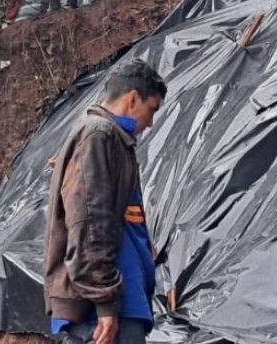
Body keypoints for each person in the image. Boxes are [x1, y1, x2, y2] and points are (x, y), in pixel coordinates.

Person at [45, 60, 166, 344]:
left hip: (118, 300)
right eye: (152, 110)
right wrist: (106, 304)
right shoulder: (99, 135)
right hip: (104, 310)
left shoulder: (112, 139)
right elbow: (90, 223)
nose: (150, 123)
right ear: (133, 98)